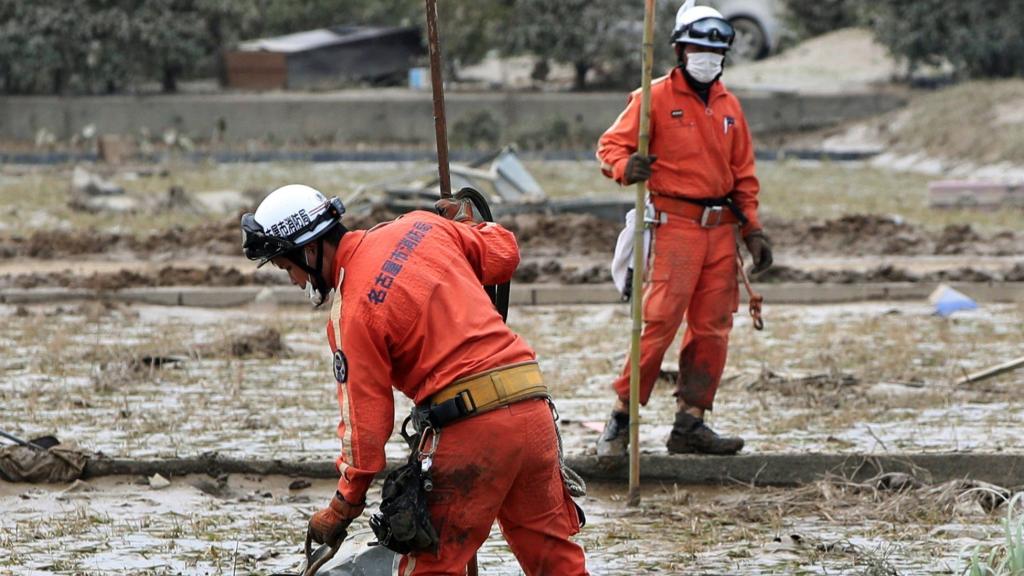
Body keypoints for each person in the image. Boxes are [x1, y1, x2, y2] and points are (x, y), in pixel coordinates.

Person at [240, 184, 588, 576]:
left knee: (432, 566)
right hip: (532, 408)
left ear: (308, 251)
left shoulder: (351, 314)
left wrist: (341, 507)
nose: (294, 281)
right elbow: (503, 254)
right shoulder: (422, 226)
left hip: (470, 427)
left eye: (287, 268)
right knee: (554, 559)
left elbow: (365, 434)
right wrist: (469, 226)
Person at [594, 0, 773, 457]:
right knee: (657, 324)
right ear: (680, 50)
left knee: (713, 328)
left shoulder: (730, 106)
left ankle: (690, 423)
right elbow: (610, 147)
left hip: (721, 231)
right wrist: (626, 167)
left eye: (716, 52)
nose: (708, 59)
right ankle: (621, 418)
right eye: (699, 50)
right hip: (674, 228)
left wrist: (753, 230)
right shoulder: (652, 98)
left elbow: (743, 174)